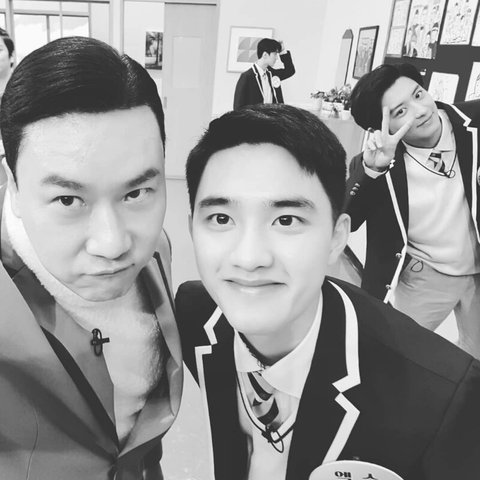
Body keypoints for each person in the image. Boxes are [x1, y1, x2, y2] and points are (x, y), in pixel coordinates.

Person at [176, 104, 480, 480]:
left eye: (286, 219)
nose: (249, 258)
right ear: (192, 229)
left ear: (337, 237)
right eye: (221, 218)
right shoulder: (194, 316)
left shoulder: (442, 399)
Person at [0, 36, 182, 479]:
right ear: (14, 185)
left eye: (136, 193)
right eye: (68, 200)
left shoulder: (157, 250)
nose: (113, 244)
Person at [345, 63, 480, 359]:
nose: (420, 111)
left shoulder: (474, 123)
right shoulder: (378, 163)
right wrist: (373, 169)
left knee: (475, 357)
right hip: (425, 276)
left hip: (477, 270)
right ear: (381, 127)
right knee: (396, 356)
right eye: (400, 111)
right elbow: (346, 221)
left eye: (418, 95)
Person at [233, 38, 295, 110]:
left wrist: (282, 51)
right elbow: (238, 108)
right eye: (275, 54)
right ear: (265, 55)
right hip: (256, 117)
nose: (276, 58)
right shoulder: (247, 77)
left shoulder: (272, 74)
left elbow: (290, 70)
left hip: (275, 116)